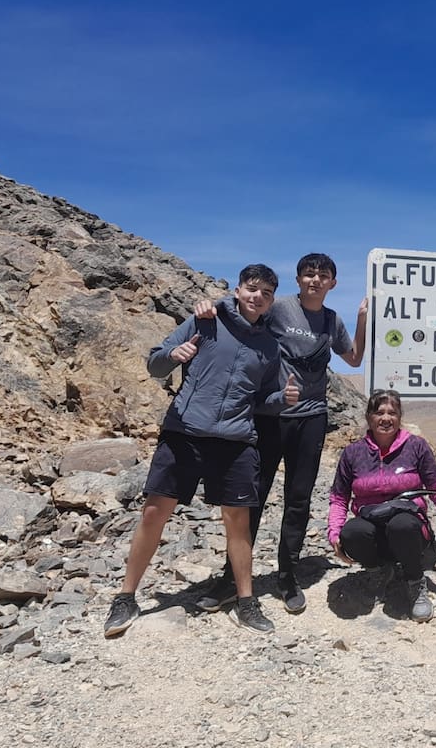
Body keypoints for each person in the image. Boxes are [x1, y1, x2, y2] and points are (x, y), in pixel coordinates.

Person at [104, 264, 299, 637]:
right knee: (153, 513)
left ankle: (245, 600)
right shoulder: (204, 320)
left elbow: (263, 400)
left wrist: (283, 399)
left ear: (271, 301)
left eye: (266, 293)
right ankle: (126, 597)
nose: (258, 297)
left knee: (238, 521)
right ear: (239, 289)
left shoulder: (269, 347)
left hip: (236, 440)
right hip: (185, 432)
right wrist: (173, 355)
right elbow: (155, 364)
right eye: (252, 288)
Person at [195, 253, 367, 615]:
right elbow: (244, 310)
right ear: (299, 278)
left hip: (312, 418)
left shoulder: (332, 321)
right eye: (308, 274)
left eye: (323, 276)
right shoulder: (279, 308)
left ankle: (287, 574)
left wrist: (363, 320)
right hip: (270, 415)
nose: (315, 280)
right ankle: (232, 577)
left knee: (299, 499)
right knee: (252, 497)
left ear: (332, 284)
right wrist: (211, 306)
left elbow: (352, 359)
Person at [328, 389, 436, 622]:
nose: (386, 418)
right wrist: (335, 532)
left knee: (402, 525)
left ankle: (415, 581)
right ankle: (379, 571)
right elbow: (339, 497)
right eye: (379, 412)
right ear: (369, 417)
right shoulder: (352, 453)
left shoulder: (416, 447)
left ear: (399, 417)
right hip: (372, 527)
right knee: (353, 532)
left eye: (392, 413)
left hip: (409, 530)